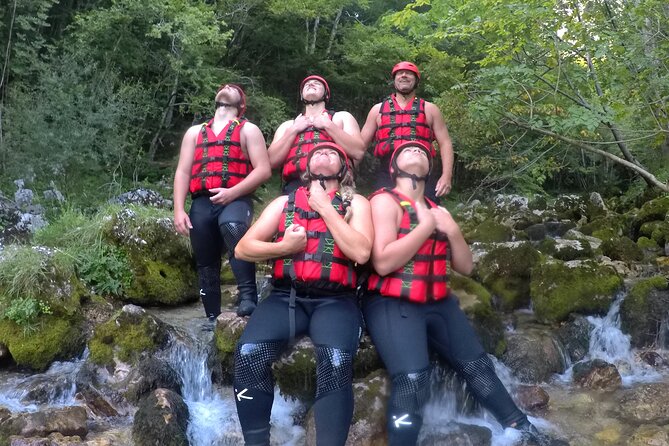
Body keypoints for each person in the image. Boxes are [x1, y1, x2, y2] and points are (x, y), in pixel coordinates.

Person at [362, 141, 554, 445]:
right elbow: (383, 263)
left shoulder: (440, 210)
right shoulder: (384, 202)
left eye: (423, 152)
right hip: (391, 301)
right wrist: (426, 227)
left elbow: (465, 267)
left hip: (437, 302)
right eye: (408, 151)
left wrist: (452, 231)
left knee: (478, 366)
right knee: (413, 379)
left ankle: (522, 428)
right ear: (393, 167)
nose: (417, 152)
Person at [233, 142, 373, 446]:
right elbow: (243, 248)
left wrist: (324, 207)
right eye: (316, 152)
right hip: (287, 296)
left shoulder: (356, 203)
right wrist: (284, 248)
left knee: (335, 361)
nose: (323, 153)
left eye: (332, 152)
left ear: (343, 169)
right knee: (248, 354)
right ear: (307, 169)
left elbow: (361, 252)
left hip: (337, 300)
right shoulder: (284, 204)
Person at [173, 83, 271, 319]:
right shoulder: (195, 133)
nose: (227, 87)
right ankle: (211, 316)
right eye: (224, 86)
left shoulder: (249, 130)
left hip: (235, 199)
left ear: (241, 105)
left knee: (233, 228)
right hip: (202, 201)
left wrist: (233, 192)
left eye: (234, 88)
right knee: (205, 257)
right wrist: (178, 209)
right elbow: (183, 172)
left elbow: (263, 170)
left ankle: (248, 297)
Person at [361, 61, 454, 200]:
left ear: (416, 80)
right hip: (387, 170)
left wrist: (447, 176)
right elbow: (360, 146)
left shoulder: (430, 109)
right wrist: (348, 171)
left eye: (409, 73)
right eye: (399, 73)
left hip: (422, 170)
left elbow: (445, 143)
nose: (404, 75)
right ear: (394, 80)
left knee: (430, 214)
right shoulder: (377, 110)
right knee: (382, 211)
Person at [268, 75, 365, 194]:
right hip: (295, 185)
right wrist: (294, 130)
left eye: (317, 83)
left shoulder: (341, 118)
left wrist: (328, 125)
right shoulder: (288, 126)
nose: (311, 84)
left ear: (326, 95)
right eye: (306, 84)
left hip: (334, 182)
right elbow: (271, 162)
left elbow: (358, 152)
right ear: (301, 95)